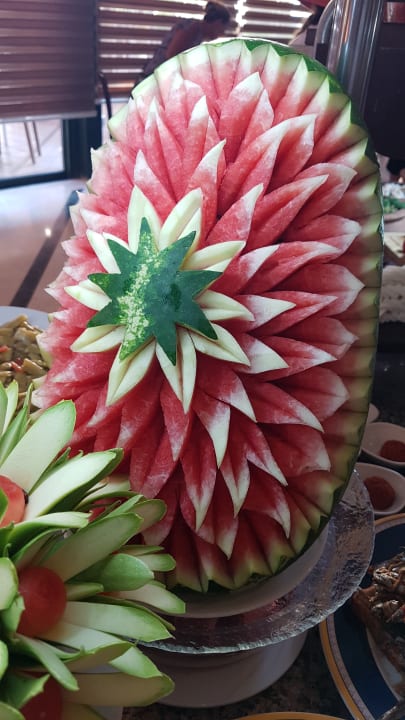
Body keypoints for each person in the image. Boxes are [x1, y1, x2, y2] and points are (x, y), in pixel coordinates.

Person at [137, 2, 234, 83]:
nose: (222, 33)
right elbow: (171, 56)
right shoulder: (193, 28)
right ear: (218, 23)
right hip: (152, 81)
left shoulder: (198, 33)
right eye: (223, 28)